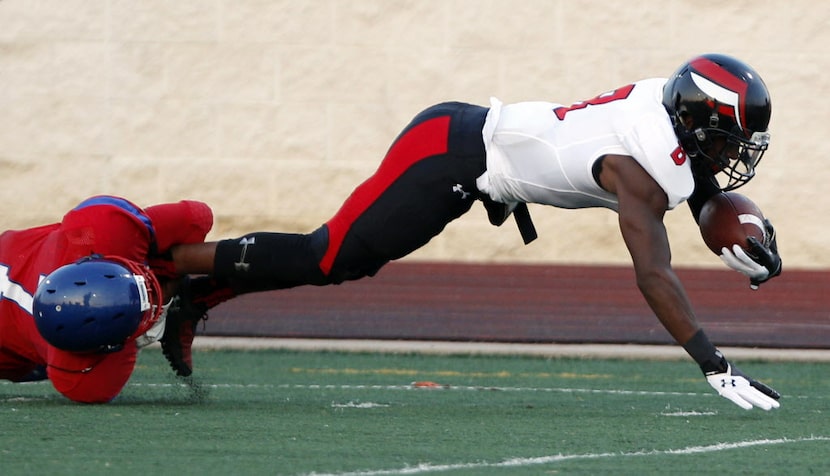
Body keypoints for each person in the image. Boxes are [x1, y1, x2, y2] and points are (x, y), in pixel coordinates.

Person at [0, 195, 217, 403]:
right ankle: (173, 282)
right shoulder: (95, 230)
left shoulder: (97, 232)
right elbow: (198, 216)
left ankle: (176, 287)